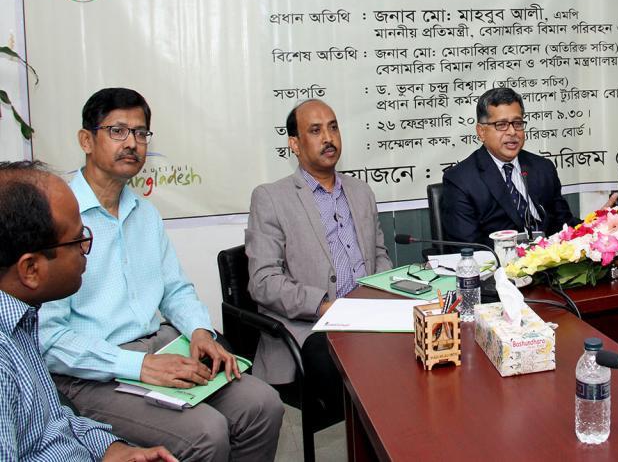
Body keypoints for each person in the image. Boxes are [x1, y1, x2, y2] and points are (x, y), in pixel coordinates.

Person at [38, 88, 284, 462]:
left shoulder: (145, 214)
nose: (131, 143)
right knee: (207, 432)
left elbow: (175, 289)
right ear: (86, 140)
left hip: (162, 348)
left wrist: (199, 331)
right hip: (93, 372)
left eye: (140, 133)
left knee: (263, 404)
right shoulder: (57, 218)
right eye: (117, 131)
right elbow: (49, 339)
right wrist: (138, 366)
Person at [0, 160, 176, 462]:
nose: (86, 250)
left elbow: (53, 422)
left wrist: (112, 449)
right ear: (30, 269)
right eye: (77, 240)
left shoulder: (21, 321)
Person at [246, 99, 392, 423]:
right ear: (295, 144)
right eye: (315, 130)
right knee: (366, 373)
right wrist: (326, 307)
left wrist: (378, 296)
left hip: (368, 315)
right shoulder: (271, 198)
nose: (328, 138)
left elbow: (379, 255)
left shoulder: (361, 192)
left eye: (333, 127)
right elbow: (263, 281)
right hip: (311, 329)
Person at [441, 87, 579, 247]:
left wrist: (595, 225)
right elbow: (469, 247)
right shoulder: (460, 180)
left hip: (551, 257)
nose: (513, 132)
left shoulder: (543, 168)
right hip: (500, 260)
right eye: (501, 125)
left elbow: (564, 225)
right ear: (481, 131)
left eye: (518, 123)